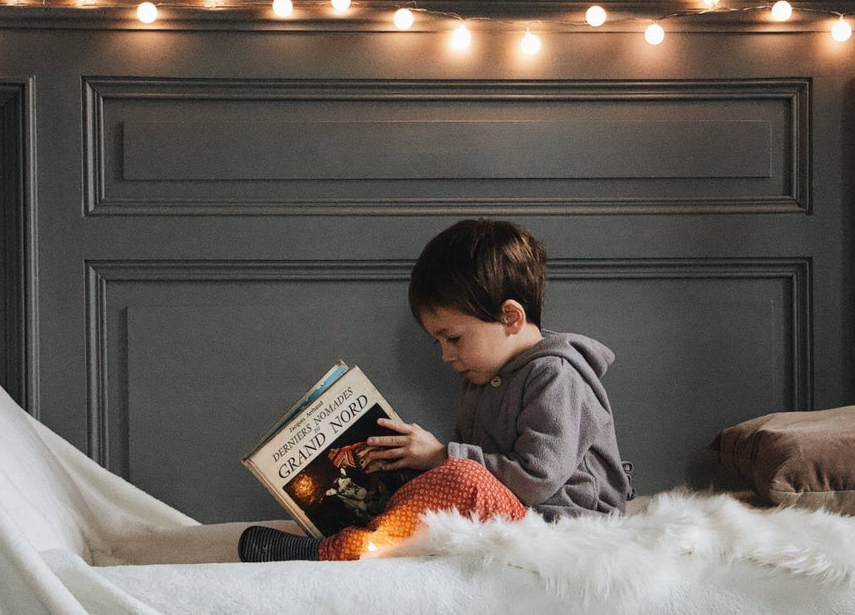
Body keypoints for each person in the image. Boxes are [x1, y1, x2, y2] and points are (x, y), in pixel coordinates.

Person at [237, 218, 634, 562]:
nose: (446, 355)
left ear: (511, 317)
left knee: (460, 478)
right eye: (438, 342)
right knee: (423, 475)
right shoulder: (481, 378)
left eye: (454, 338)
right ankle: (358, 530)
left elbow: (536, 478)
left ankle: (333, 551)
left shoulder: (556, 375)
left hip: (564, 526)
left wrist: (442, 456)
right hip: (514, 513)